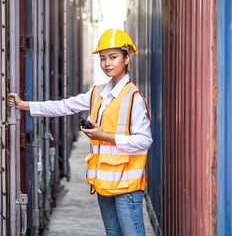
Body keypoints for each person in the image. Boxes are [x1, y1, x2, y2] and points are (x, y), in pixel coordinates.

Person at [8, 28, 152, 236]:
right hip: (103, 186)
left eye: (113, 57)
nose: (107, 64)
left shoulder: (134, 98)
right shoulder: (98, 93)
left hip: (127, 189)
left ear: (127, 58)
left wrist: (105, 137)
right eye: (103, 59)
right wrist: (25, 106)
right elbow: (64, 106)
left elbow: (145, 140)